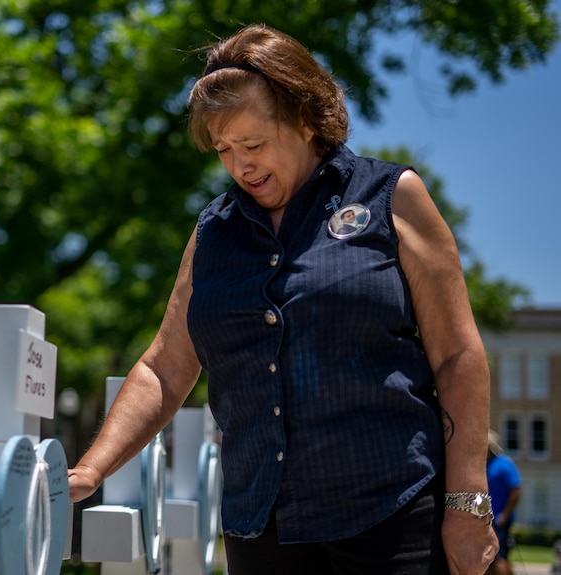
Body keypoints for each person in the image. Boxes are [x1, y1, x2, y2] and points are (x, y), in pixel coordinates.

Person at [68, 24, 498, 575]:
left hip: (390, 516)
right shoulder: (213, 233)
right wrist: (92, 469)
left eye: (252, 144)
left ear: (303, 117)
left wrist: (469, 503)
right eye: (224, 149)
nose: (239, 164)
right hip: (261, 527)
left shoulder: (392, 196)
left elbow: (458, 355)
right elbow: (164, 368)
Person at [486, 430, 522, 575]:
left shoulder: (504, 464)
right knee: (487, 557)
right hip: (486, 519)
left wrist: (504, 516)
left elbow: (516, 491)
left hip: (499, 520)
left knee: (499, 556)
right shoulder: (484, 464)